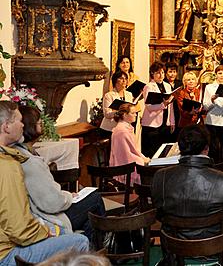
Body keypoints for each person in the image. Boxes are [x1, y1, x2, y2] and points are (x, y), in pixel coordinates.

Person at [151, 125, 223, 263]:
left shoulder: (160, 177)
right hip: (215, 248)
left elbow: (159, 213)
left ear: (180, 148)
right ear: (207, 148)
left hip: (174, 248)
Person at [0, 101, 89, 265]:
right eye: (19, 121)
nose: (22, 125)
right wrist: (49, 231)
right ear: (6, 127)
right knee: (79, 242)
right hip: (6, 254)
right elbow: (19, 229)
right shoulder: (7, 165)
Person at [15, 105, 105, 242]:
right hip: (47, 218)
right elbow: (51, 202)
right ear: (30, 127)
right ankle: (92, 251)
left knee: (89, 205)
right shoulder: (30, 162)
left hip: (38, 212)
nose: (43, 125)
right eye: (40, 123)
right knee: (95, 199)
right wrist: (69, 196)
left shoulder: (17, 152)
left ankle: (90, 247)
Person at [140, 62, 175, 158]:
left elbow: (170, 105)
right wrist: (163, 104)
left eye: (163, 73)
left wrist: (172, 121)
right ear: (152, 73)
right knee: (152, 151)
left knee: (163, 150)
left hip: (164, 123)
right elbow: (149, 106)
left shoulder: (167, 86)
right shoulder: (148, 86)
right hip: (152, 124)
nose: (161, 75)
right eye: (158, 73)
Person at [110, 103, 149, 184]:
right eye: (133, 113)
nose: (135, 115)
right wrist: (143, 160)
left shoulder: (124, 127)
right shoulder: (122, 131)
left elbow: (133, 149)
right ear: (124, 115)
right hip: (126, 166)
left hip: (128, 160)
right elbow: (128, 154)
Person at [99, 70, 137, 135]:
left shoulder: (129, 94)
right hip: (110, 128)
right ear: (115, 80)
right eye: (121, 78)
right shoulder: (109, 95)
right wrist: (119, 111)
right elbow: (107, 114)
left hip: (124, 128)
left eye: (125, 78)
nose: (124, 80)